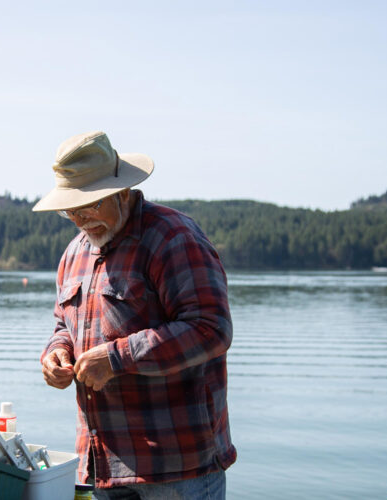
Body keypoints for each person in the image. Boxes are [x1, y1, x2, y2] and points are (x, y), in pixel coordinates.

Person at [34, 131, 236, 499]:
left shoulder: (174, 237)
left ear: (122, 192)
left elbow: (211, 329)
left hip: (176, 469)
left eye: (90, 204)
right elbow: (65, 324)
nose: (80, 218)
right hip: (101, 466)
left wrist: (115, 359)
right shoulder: (74, 253)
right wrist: (56, 352)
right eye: (71, 209)